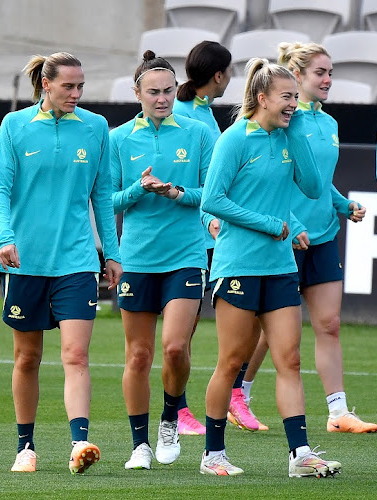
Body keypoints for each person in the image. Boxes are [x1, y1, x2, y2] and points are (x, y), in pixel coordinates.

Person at [199, 57, 341, 477]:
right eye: (286, 97)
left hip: (280, 268)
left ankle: (300, 455)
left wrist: (296, 132)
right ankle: (213, 454)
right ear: (262, 98)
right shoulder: (234, 139)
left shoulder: (288, 136)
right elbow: (213, 200)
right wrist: (269, 225)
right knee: (231, 362)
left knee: (290, 360)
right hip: (238, 266)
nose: (294, 104)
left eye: (296, 97)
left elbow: (314, 189)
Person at [234, 41, 377, 435]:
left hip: (323, 236)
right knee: (270, 330)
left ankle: (338, 412)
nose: (328, 79)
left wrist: (343, 205)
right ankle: (239, 394)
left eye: (331, 72)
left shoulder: (329, 124)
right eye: (321, 72)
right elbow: (275, 182)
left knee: (329, 324)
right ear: (296, 77)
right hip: (284, 236)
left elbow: (319, 182)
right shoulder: (283, 120)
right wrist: (292, 222)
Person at [0, 52, 122, 474]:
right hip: (24, 261)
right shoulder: (14, 126)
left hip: (77, 261)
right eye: (69, 86)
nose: (77, 94)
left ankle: (80, 443)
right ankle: (25, 448)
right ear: (46, 84)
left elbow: (102, 196)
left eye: (81, 86)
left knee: (76, 355)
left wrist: (112, 252)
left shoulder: (97, 128)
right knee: (27, 358)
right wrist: (5, 238)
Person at [110, 51, 214, 470]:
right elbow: (107, 200)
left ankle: (171, 419)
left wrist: (176, 193)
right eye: (153, 92)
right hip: (136, 259)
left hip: (186, 255)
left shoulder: (199, 132)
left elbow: (212, 194)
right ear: (137, 92)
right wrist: (138, 189)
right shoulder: (117, 139)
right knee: (138, 355)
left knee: (174, 348)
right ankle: (139, 445)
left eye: (169, 91)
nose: (162, 98)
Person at [171, 40, 233, 437]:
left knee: (186, 331)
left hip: (203, 237)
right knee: (178, 335)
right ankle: (175, 409)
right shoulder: (185, 116)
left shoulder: (203, 113)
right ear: (218, 75)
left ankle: (178, 407)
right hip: (183, 239)